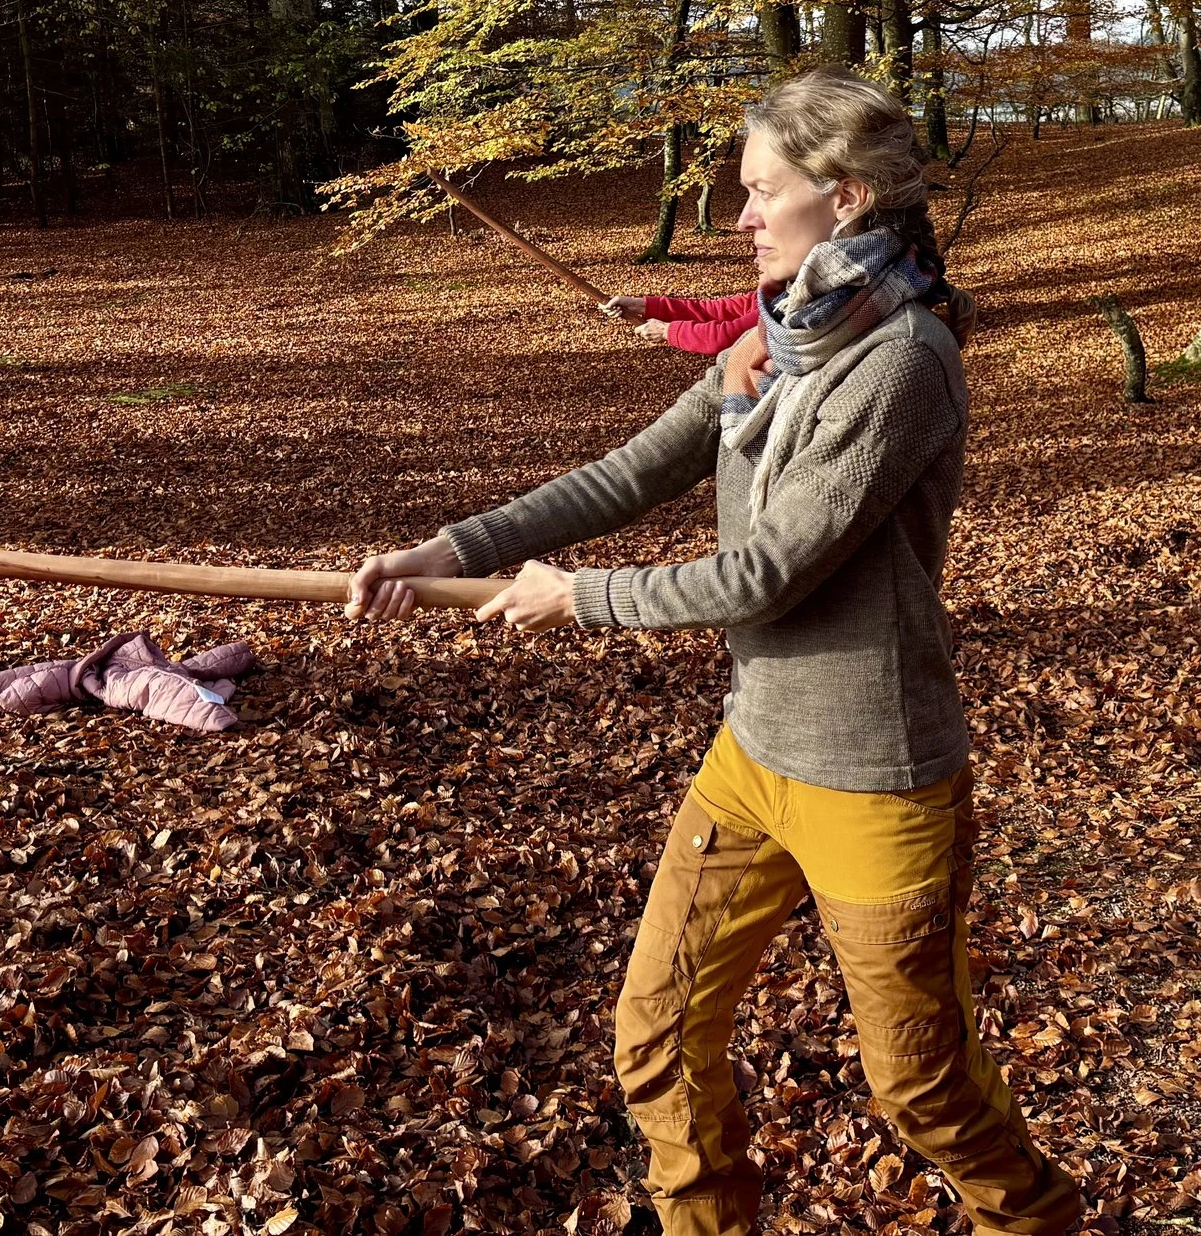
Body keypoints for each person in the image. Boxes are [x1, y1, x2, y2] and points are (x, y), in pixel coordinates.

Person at [349, 68, 1080, 1236]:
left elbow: (771, 571)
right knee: (655, 1034)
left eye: (760, 192)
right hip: (753, 757)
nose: (738, 218)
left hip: (874, 777)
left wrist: (581, 598)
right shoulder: (775, 338)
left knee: (921, 1092)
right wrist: (449, 548)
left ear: (845, 198)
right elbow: (631, 472)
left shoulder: (901, 360)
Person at [600, 287, 761, 355]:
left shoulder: (774, 307)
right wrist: (642, 305)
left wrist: (666, 331)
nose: (756, 260)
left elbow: (727, 336)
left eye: (766, 251)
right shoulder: (767, 295)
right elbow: (717, 310)